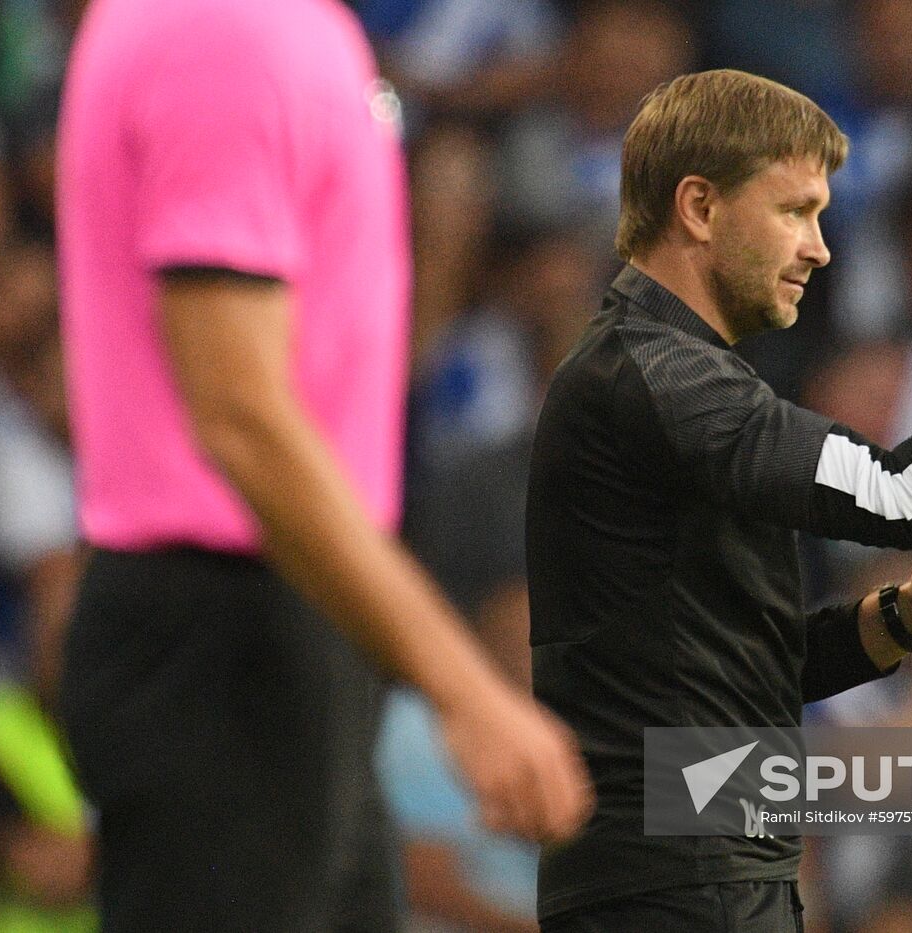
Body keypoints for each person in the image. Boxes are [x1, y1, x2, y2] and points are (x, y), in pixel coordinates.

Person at [526, 69, 912, 931]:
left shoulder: (665, 381)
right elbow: (908, 498)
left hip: (695, 867)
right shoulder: (664, 377)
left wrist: (908, 616)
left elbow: (752, 665)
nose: (820, 246)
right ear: (699, 208)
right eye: (794, 211)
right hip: (674, 882)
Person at [55, 1, 591, 930]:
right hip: (228, 650)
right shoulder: (225, 30)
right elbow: (240, 414)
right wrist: (467, 693)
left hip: (287, 629)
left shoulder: (273, 26)